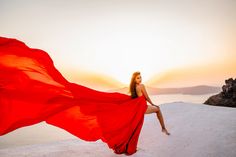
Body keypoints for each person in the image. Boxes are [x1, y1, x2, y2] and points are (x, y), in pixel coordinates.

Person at [129, 71, 170, 135]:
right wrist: (153, 104)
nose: (140, 79)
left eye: (140, 77)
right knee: (158, 109)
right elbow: (147, 97)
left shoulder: (132, 88)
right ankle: (163, 128)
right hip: (143, 108)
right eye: (138, 78)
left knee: (135, 127)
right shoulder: (141, 86)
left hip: (138, 108)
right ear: (134, 79)